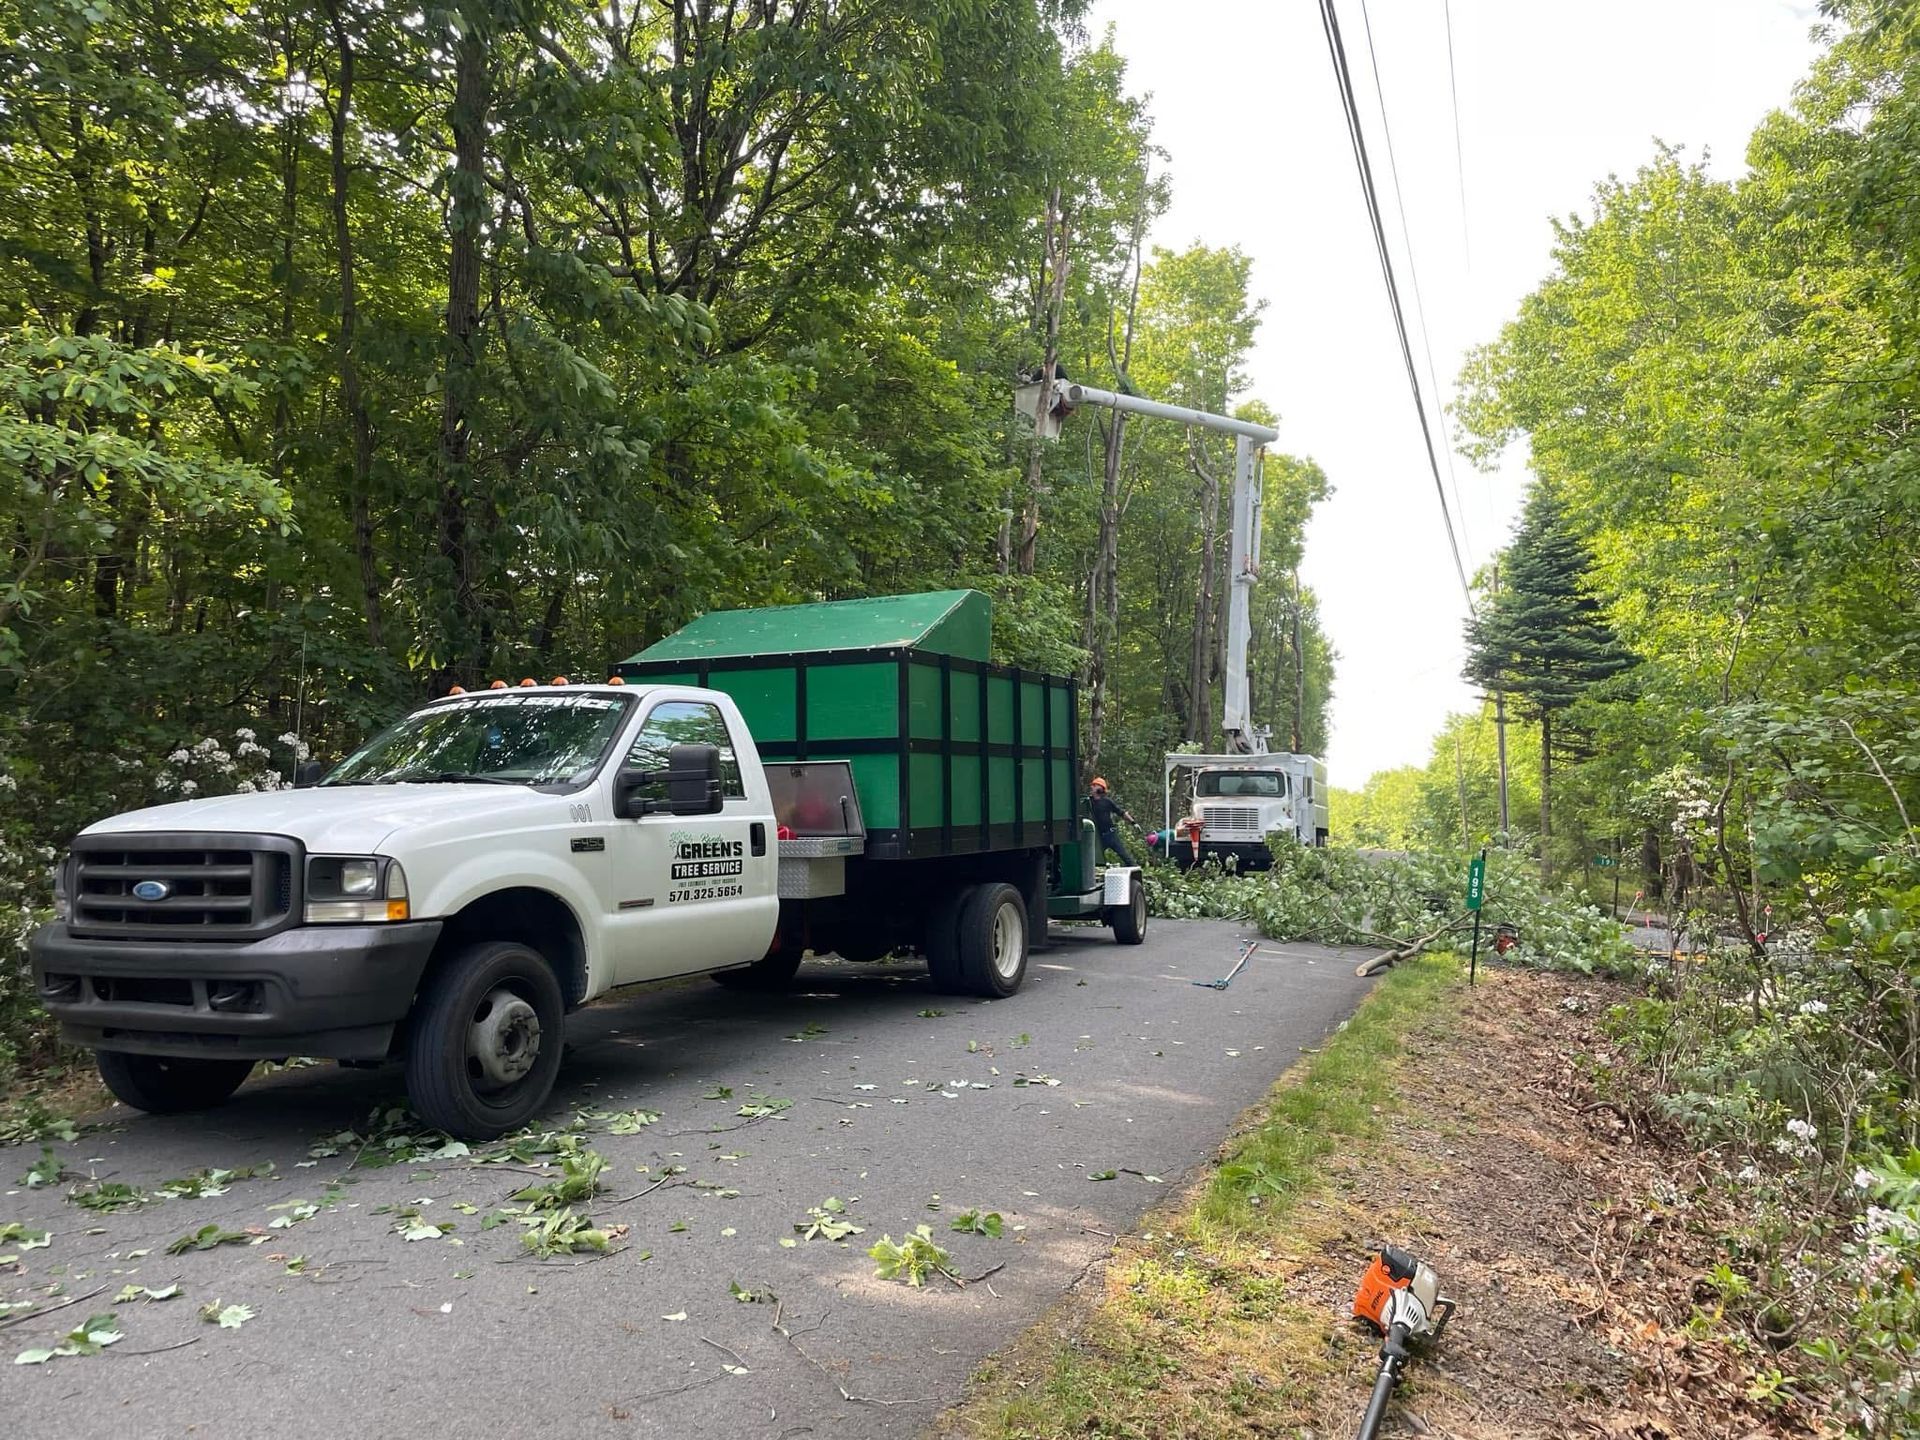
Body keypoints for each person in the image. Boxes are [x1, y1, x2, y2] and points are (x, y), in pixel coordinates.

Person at [1087, 776, 1138, 867]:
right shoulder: (1088, 802)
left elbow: (1121, 813)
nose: (1092, 787)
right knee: (1093, 857)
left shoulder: (1107, 802)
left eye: (1094, 785)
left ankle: (1136, 870)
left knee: (1124, 855)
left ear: (1100, 788)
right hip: (1099, 837)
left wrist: (1133, 823)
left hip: (1110, 834)